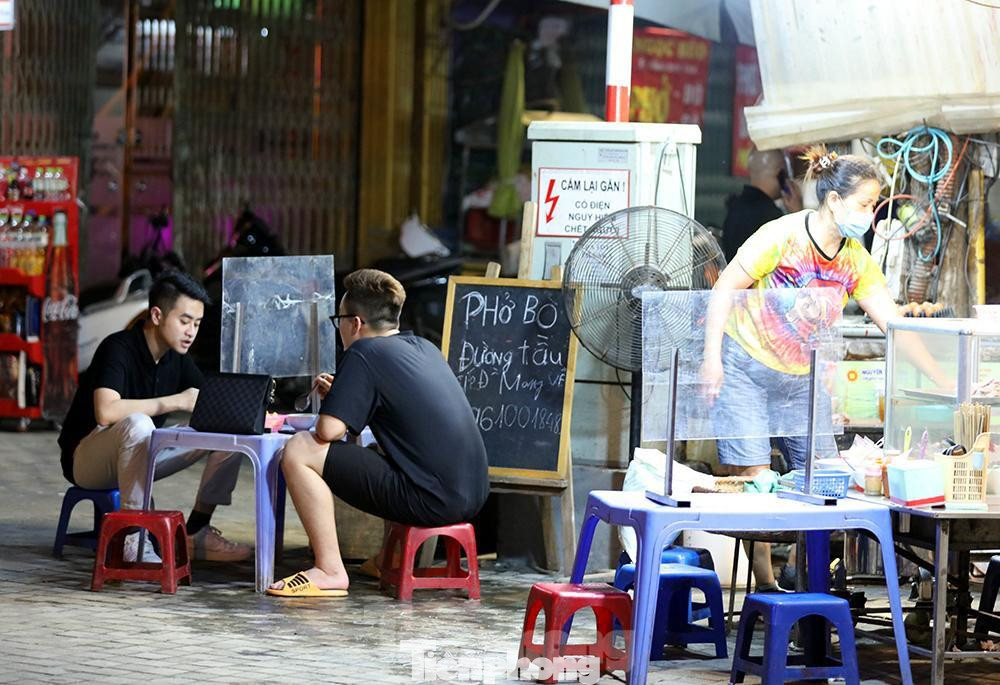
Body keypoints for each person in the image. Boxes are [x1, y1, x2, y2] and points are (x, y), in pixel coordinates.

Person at [702, 145, 947, 592]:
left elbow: (895, 326)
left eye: (873, 205)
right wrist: (711, 358)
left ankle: (804, 580)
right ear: (834, 200)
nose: (869, 215)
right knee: (758, 482)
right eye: (865, 204)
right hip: (746, 369)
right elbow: (724, 288)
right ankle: (767, 589)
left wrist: (946, 381)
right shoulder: (780, 236)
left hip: (802, 377)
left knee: (823, 480)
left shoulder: (855, 259)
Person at [267, 269, 489, 597]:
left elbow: (327, 430)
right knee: (382, 453)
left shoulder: (364, 352)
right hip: (475, 495)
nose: (340, 329)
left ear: (355, 323)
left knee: (300, 449)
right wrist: (347, 398)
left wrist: (339, 400)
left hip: (431, 499)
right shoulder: (423, 347)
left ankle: (329, 570)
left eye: (339, 320)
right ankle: (389, 559)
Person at [58, 269, 252, 563]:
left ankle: (196, 529)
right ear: (157, 315)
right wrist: (176, 401)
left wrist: (257, 412)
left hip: (141, 455)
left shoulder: (177, 358)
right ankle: (134, 538)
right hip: (87, 459)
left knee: (230, 432)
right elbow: (106, 411)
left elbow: (211, 401)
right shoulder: (118, 347)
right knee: (138, 423)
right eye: (184, 321)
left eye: (197, 324)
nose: (191, 332)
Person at [722, 148, 803, 263]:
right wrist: (798, 214)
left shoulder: (735, 207)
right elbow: (797, 256)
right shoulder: (771, 216)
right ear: (780, 175)